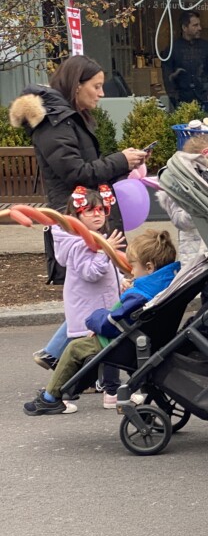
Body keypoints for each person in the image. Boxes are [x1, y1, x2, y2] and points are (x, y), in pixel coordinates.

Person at [8, 55, 149, 284]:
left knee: (99, 297)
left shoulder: (68, 119)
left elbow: (89, 170)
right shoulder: (54, 123)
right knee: (89, 297)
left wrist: (127, 163)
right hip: (76, 222)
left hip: (86, 217)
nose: (102, 94)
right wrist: (120, 160)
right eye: (97, 86)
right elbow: (76, 174)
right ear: (77, 85)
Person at [23, 229, 179, 415]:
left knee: (74, 349)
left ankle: (50, 397)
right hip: (141, 338)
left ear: (149, 267)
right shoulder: (164, 282)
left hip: (123, 343)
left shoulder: (139, 295)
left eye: (133, 266)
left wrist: (94, 322)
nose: (131, 270)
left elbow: (111, 320)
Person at [32, 188, 125, 408]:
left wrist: (121, 279)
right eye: (90, 210)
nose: (97, 214)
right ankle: (93, 392)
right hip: (89, 310)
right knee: (97, 351)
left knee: (95, 354)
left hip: (97, 307)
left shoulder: (94, 239)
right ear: (77, 216)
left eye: (101, 209)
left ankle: (72, 392)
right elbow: (90, 273)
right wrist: (105, 253)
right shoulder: (81, 244)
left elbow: (108, 269)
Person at [156, 135, 208, 337]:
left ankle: (205, 333)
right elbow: (181, 221)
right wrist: (203, 207)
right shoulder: (180, 184)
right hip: (196, 257)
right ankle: (193, 332)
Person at [161, 11, 208, 109]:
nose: (200, 28)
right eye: (195, 25)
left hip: (206, 100)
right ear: (184, 28)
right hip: (182, 102)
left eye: (199, 25)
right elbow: (167, 76)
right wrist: (175, 99)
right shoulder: (172, 49)